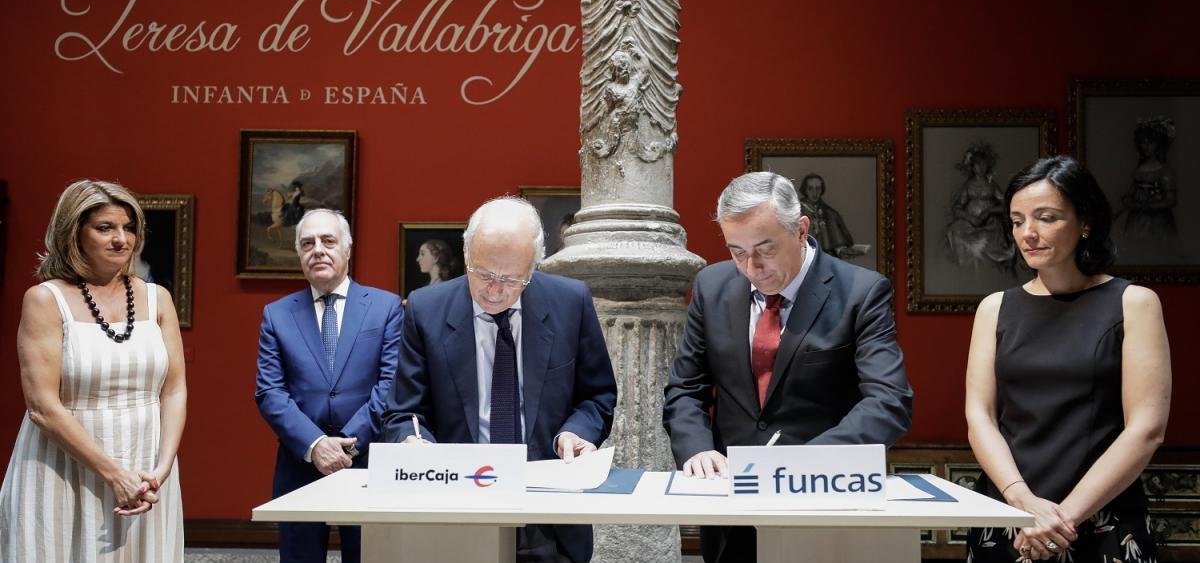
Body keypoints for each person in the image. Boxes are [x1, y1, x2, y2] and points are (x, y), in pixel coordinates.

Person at [663, 171, 913, 563]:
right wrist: (696, 449)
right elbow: (686, 387)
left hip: (824, 504)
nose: (752, 267)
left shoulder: (861, 293)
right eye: (737, 251)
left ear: (800, 230)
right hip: (731, 505)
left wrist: (804, 464)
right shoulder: (711, 286)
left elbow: (889, 402)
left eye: (765, 248)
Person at [382, 197, 618, 563]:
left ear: (534, 266)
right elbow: (404, 412)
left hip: (547, 506)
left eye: (511, 279)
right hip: (457, 505)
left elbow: (597, 395)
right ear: (465, 255)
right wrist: (415, 443)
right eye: (484, 274)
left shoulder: (570, 303)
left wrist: (577, 433)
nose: (494, 290)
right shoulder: (425, 310)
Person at [964, 156, 1170, 563]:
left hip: (1102, 515)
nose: (1029, 233)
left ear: (1086, 221)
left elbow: (1146, 429)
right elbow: (980, 416)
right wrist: (1022, 500)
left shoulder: (1134, 303)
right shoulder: (994, 308)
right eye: (1018, 220)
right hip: (1010, 511)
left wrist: (1062, 519)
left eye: (1047, 217)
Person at [0, 179, 186, 562]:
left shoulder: (158, 298)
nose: (122, 239)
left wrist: (162, 467)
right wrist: (113, 474)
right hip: (64, 468)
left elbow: (173, 390)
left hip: (145, 468)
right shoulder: (45, 300)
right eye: (105, 228)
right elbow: (42, 407)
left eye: (129, 227)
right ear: (74, 233)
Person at [255, 209, 403, 563]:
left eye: (328, 241)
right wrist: (317, 444)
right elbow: (269, 392)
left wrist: (346, 446)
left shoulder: (385, 307)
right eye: (307, 243)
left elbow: (391, 384)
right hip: (301, 462)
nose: (317, 250)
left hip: (367, 460)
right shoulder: (277, 314)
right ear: (299, 255)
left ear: (348, 250)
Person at [945, 142, 1016, 272]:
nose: (981, 167)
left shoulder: (992, 185)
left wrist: (989, 211)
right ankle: (964, 271)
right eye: (978, 164)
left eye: (983, 164)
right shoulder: (968, 186)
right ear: (972, 167)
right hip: (969, 222)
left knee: (989, 240)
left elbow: (1005, 204)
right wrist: (971, 218)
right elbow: (957, 208)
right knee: (955, 231)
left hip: (990, 223)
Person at [1117, 115, 1177, 240]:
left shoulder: (1164, 171)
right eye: (1143, 142)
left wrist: (1147, 206)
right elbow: (1131, 192)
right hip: (1137, 221)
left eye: (1150, 142)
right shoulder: (1139, 169)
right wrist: (1128, 201)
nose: (1146, 146)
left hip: (1158, 222)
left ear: (1158, 144)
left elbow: (1171, 200)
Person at [796, 173, 863, 259]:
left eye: (818, 188)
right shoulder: (796, 211)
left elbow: (838, 243)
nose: (815, 192)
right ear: (804, 190)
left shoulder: (830, 214)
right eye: (810, 188)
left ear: (822, 190)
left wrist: (840, 250)